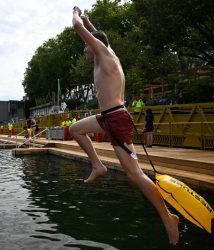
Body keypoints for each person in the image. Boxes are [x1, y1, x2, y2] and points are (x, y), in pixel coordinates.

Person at [70, 7, 179, 245]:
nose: (84, 49)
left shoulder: (103, 54)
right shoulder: (110, 53)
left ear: (96, 45)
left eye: (86, 46)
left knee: (134, 174)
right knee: (75, 129)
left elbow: (78, 28)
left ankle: (168, 217)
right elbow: (98, 34)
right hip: (108, 117)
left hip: (116, 118)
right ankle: (98, 165)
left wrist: (77, 15)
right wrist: (89, 21)